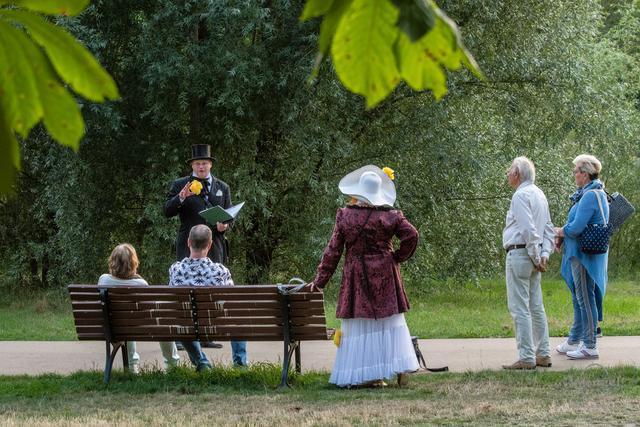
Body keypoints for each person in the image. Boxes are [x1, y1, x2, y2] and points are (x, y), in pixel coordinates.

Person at [308, 165, 420, 388]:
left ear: (359, 192)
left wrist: (320, 281)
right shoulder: (391, 216)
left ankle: (369, 375)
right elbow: (412, 235)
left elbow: (333, 251)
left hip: (357, 274)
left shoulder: (346, 217)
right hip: (386, 272)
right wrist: (396, 257)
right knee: (390, 321)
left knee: (360, 326)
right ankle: (398, 367)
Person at [164, 144, 231, 349]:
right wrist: (182, 197)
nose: (201, 166)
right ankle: (184, 338)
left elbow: (229, 215)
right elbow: (167, 211)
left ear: (210, 164)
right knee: (184, 292)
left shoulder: (222, 187)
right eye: (197, 163)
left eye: (204, 163)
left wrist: (224, 225)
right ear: (192, 165)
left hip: (214, 245)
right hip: (189, 246)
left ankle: (205, 336)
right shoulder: (180, 184)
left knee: (210, 291)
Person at [168, 224, 248, 371]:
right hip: (217, 324)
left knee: (183, 321)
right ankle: (240, 365)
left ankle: (201, 362)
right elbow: (232, 302)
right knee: (239, 317)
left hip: (188, 324)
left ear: (188, 242)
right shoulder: (221, 271)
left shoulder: (175, 269)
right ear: (210, 245)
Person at [501, 157, 555, 370]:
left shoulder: (520, 196)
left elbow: (528, 229)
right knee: (536, 306)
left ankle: (526, 356)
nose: (508, 174)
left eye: (509, 171)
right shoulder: (539, 194)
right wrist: (544, 255)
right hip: (534, 255)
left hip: (521, 254)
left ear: (517, 174)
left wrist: (536, 255)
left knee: (519, 308)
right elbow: (548, 228)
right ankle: (543, 352)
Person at [554, 154, 609, 359]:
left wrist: (558, 232)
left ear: (585, 174)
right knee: (580, 298)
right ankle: (574, 339)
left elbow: (576, 227)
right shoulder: (591, 193)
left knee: (585, 299)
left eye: (576, 171)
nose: (574, 174)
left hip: (584, 256)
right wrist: (563, 236)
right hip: (580, 253)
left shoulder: (590, 195)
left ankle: (590, 345)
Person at [98, 244, 180, 373]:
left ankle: (132, 368)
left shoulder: (103, 281)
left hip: (113, 328)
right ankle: (172, 366)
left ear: (112, 262)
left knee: (125, 323)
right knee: (163, 323)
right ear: (133, 263)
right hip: (138, 328)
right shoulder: (140, 284)